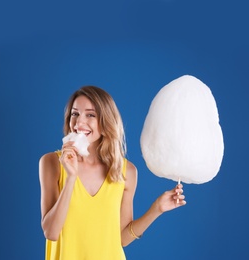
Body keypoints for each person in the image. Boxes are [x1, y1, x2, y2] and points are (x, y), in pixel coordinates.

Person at [39, 86, 186, 260]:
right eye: (75, 114)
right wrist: (71, 177)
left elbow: (122, 238)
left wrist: (156, 209)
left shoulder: (126, 171)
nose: (79, 123)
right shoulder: (51, 163)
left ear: (106, 121)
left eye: (90, 115)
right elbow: (51, 233)